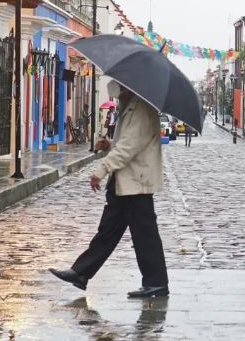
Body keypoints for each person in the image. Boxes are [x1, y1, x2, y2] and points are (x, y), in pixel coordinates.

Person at [50, 82, 169, 298]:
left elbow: (129, 148)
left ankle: (156, 283)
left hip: (137, 182)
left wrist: (101, 169)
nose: (118, 95)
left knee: (145, 234)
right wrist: (109, 145)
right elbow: (125, 143)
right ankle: (81, 273)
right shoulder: (130, 108)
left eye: (121, 90)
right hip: (125, 181)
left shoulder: (142, 110)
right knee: (108, 231)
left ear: (129, 88)